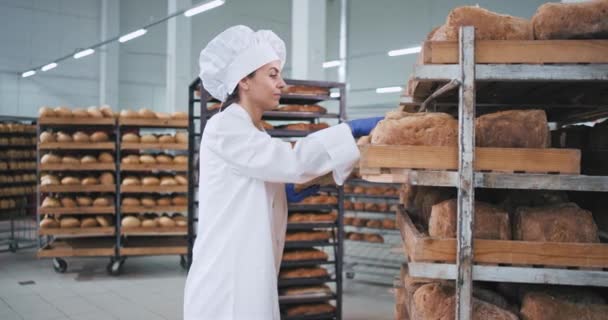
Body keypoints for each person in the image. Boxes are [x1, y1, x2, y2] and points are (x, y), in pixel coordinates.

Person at [183, 25, 381, 320]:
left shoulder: (253, 130)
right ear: (244, 81)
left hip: (246, 269)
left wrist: (282, 194)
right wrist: (348, 130)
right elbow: (291, 161)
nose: (283, 83)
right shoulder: (226, 126)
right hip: (227, 279)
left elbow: (254, 182)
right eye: (273, 74)